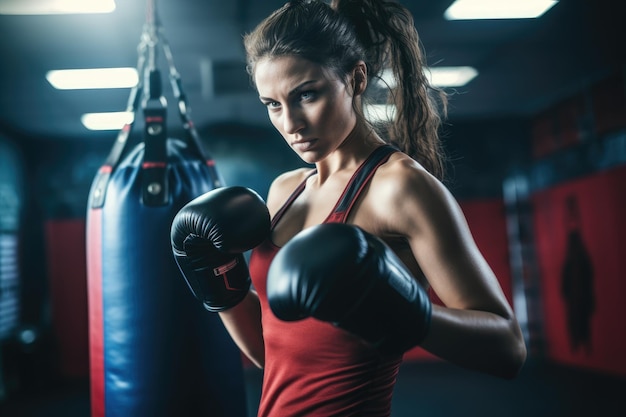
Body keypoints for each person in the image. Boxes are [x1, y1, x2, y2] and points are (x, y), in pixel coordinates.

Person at [171, 0, 527, 415]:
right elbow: (278, 359)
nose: (291, 124)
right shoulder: (283, 192)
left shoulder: (399, 187)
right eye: (272, 104)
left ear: (356, 78)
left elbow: (509, 349)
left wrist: (404, 309)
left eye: (307, 94)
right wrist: (220, 282)